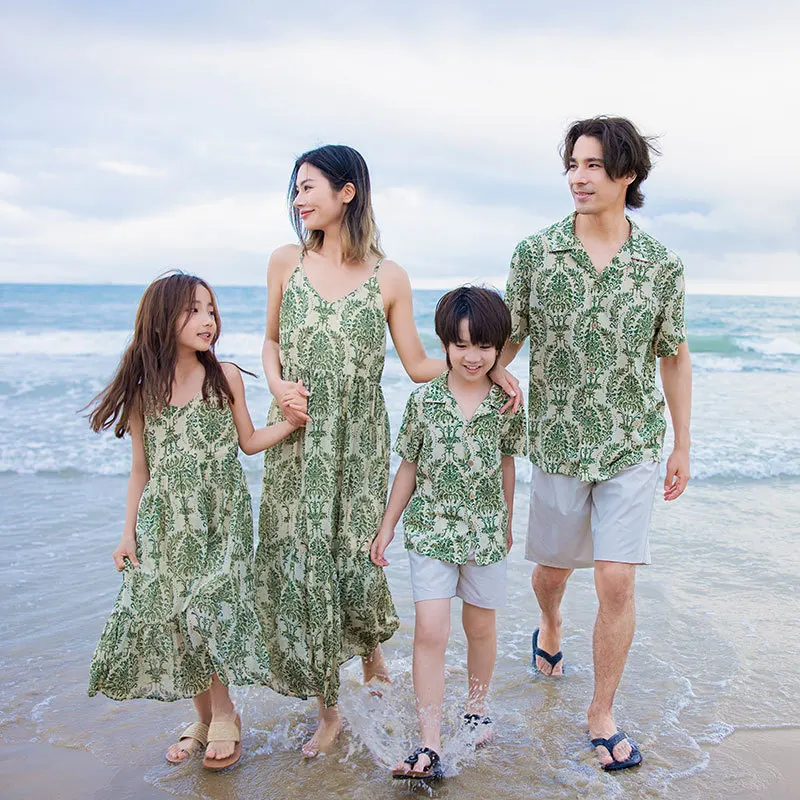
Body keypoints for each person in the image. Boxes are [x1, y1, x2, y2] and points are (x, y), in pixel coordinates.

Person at [257, 145, 521, 758]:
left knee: (352, 561)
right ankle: (328, 710)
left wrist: (490, 371)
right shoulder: (284, 261)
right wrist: (276, 386)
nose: (298, 199)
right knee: (302, 565)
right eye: (295, 189)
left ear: (347, 191)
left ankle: (373, 661)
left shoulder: (388, 276)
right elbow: (269, 342)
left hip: (360, 442)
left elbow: (421, 364)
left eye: (309, 186)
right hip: (299, 434)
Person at [500, 116, 692, 771]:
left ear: (627, 174)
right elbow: (509, 334)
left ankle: (601, 713)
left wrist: (682, 444)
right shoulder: (534, 253)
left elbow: (673, 355)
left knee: (616, 581)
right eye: (572, 165)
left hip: (632, 443)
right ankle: (550, 625)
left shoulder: (661, 265)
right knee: (551, 573)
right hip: (555, 441)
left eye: (593, 166)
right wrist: (489, 374)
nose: (578, 178)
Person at [87, 271, 303, 771]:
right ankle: (203, 719)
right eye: (194, 310)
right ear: (164, 319)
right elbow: (141, 469)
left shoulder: (222, 376)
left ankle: (226, 714)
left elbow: (247, 442)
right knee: (179, 618)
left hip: (219, 517)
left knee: (209, 605)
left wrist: (289, 425)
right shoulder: (146, 390)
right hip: (165, 525)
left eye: (211, 309)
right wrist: (127, 534)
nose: (208, 320)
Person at [371, 287, 528, 781]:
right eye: (461, 345)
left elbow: (507, 465)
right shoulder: (423, 401)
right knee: (431, 631)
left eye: (484, 346)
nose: (473, 356)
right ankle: (429, 741)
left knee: (480, 628)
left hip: (483, 534)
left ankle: (477, 709)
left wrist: (505, 519)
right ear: (445, 344)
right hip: (430, 532)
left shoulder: (507, 403)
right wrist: (387, 525)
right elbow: (408, 468)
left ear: (500, 347)